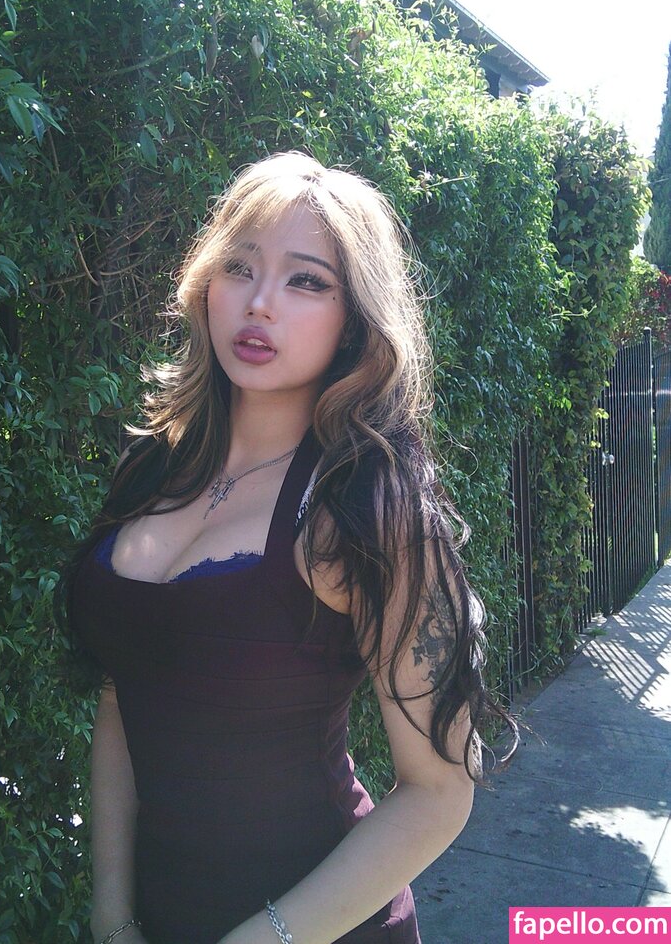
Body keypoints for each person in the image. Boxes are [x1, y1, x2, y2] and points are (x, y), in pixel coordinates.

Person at [61, 152, 517, 944]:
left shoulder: (368, 509)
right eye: (239, 267)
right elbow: (118, 698)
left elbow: (440, 792)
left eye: (306, 281)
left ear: (355, 320)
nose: (259, 302)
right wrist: (112, 914)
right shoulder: (151, 468)